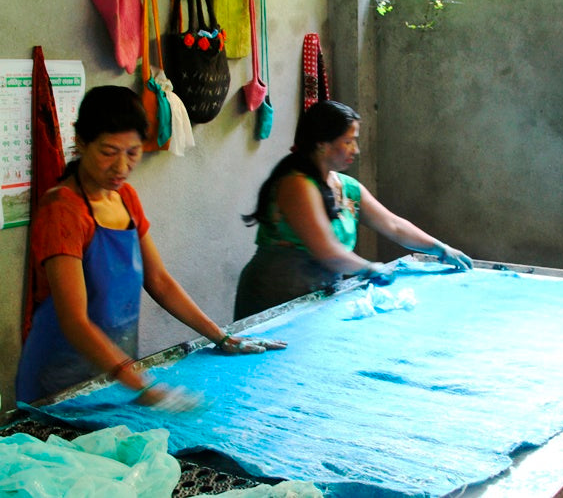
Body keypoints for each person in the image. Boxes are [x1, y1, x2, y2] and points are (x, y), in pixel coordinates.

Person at [16, 86, 286, 409]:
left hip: (112, 378)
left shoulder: (126, 199)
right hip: (57, 384)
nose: (121, 167)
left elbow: (158, 281)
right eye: (108, 151)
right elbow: (74, 320)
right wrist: (140, 385)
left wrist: (221, 337)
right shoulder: (62, 211)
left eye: (132, 153)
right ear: (81, 142)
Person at [234, 100, 472, 320]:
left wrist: (441, 249)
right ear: (322, 144)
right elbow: (326, 251)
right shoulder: (296, 185)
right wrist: (369, 268)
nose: (355, 150)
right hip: (274, 296)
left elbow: (394, 226)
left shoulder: (345, 186)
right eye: (348, 142)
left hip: (318, 294)